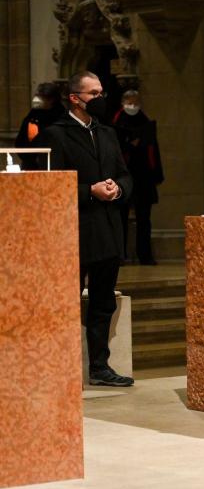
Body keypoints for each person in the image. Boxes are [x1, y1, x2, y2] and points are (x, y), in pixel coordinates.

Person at [39, 71, 135, 387]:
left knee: (102, 301)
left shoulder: (106, 133)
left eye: (101, 92)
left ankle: (99, 365)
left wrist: (117, 188)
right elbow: (46, 186)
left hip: (107, 229)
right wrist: (88, 191)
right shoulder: (56, 134)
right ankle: (60, 366)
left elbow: (125, 175)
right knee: (67, 301)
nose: (100, 98)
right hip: (74, 231)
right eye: (93, 93)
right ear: (75, 98)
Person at [113, 90, 164, 265]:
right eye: (129, 102)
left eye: (136, 102)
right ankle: (120, 254)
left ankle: (145, 254)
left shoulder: (145, 122)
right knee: (120, 218)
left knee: (144, 219)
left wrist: (157, 174)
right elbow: (113, 150)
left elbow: (153, 150)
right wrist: (128, 145)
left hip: (143, 177)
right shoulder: (116, 123)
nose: (132, 105)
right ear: (123, 102)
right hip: (123, 176)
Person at [14, 82, 65, 170]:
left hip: (53, 164)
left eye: (41, 96)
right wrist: (27, 157)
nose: (36, 99)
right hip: (31, 163)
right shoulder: (33, 114)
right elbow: (21, 139)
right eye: (36, 95)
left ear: (51, 99)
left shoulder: (62, 116)